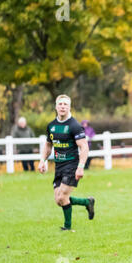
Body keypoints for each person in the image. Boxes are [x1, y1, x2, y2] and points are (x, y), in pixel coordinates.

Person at [38, 95, 95, 231]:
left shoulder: (74, 125)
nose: (63, 106)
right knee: (59, 200)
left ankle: (67, 228)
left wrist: (80, 167)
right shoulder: (51, 126)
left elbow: (84, 147)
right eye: (60, 104)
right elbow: (48, 145)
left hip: (72, 165)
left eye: (65, 104)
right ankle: (87, 202)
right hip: (59, 165)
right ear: (56, 107)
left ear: (69, 107)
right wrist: (42, 161)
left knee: (63, 196)